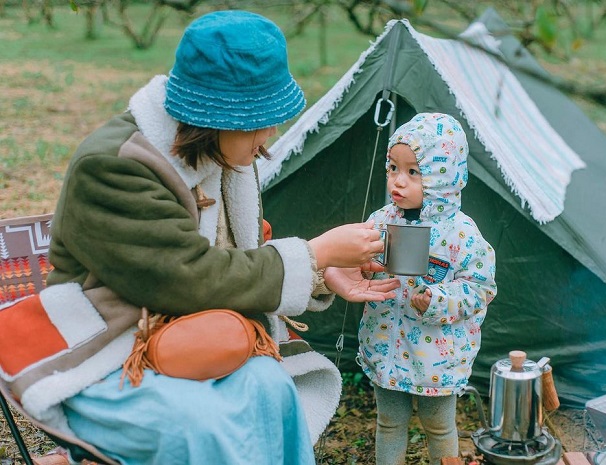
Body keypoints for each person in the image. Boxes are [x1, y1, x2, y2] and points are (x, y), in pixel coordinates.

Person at [28, 10, 399, 465]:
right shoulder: (115, 167)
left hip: (189, 332)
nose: (269, 138)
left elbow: (225, 262)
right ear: (219, 118)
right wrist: (313, 254)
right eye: (261, 122)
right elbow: (185, 277)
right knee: (200, 425)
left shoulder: (220, 157)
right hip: (112, 345)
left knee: (270, 388)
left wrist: (321, 272)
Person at [357, 113, 497, 465]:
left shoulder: (461, 235)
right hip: (386, 346)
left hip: (437, 357)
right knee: (389, 422)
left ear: (442, 177)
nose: (397, 182)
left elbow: (479, 288)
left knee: (438, 425)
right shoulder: (380, 221)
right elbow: (357, 257)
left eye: (413, 172)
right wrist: (358, 265)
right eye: (392, 168)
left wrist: (437, 300)